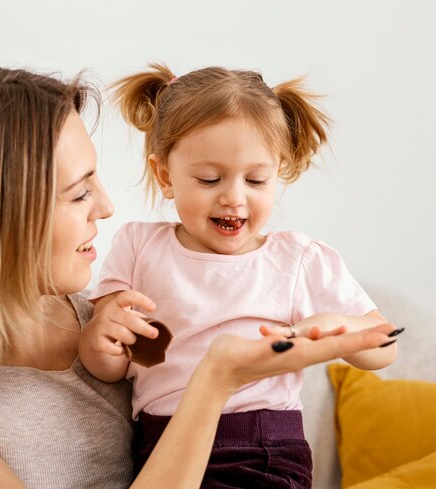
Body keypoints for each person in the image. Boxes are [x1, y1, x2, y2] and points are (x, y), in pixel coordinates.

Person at [0, 63, 398, 489]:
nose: (106, 207)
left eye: (95, 180)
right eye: (77, 193)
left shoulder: (117, 319)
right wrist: (215, 380)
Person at [79, 64, 403, 488]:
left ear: (277, 173)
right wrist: (100, 338)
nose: (234, 197)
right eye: (209, 179)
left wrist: (336, 328)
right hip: (164, 449)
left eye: (256, 179)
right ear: (165, 176)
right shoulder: (138, 247)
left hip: (266, 449)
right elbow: (109, 368)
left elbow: (382, 347)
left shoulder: (298, 259)